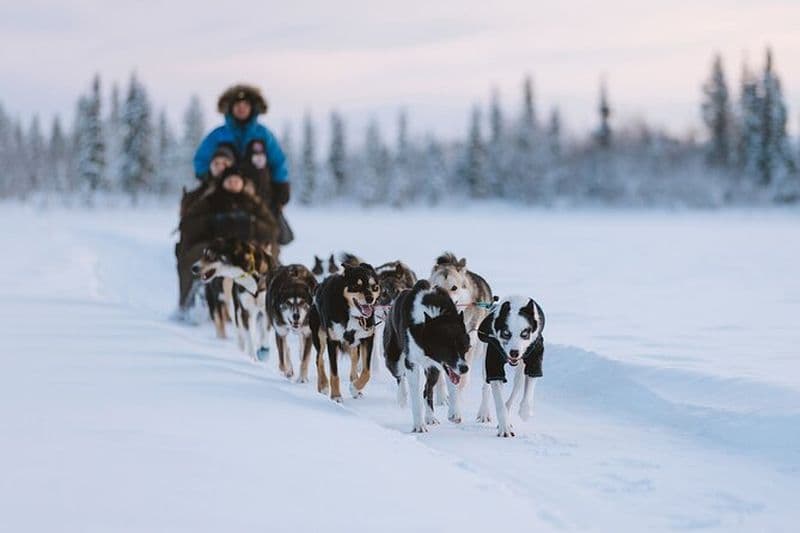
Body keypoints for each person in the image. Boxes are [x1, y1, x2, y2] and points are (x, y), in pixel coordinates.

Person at [175, 166, 278, 314]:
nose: (233, 183)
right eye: (229, 180)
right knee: (194, 257)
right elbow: (187, 224)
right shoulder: (210, 200)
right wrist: (211, 223)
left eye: (237, 181)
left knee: (267, 259)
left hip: (246, 247)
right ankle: (188, 303)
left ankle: (266, 300)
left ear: (243, 183)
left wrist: (253, 224)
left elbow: (272, 229)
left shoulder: (252, 202)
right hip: (214, 244)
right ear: (223, 182)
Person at [193, 84, 289, 208]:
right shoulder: (218, 135)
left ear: (252, 108)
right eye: (237, 105)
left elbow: (278, 162)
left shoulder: (263, 135)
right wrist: (208, 177)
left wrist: (281, 184)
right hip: (224, 200)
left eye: (245, 105)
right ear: (231, 108)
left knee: (277, 227)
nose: (241, 108)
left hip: (260, 199)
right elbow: (201, 160)